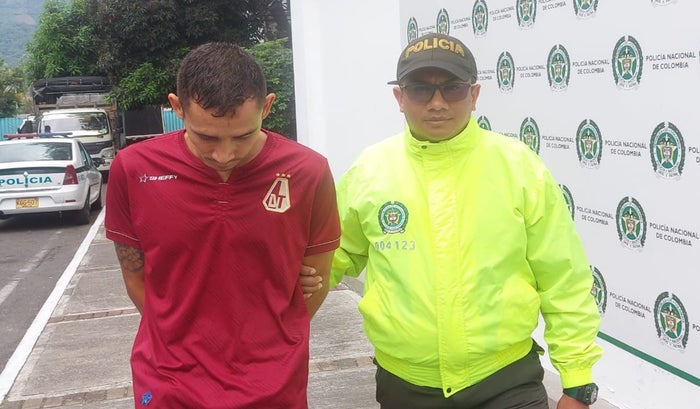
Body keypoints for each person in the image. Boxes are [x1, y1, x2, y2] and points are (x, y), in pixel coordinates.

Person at [326, 32, 603, 408]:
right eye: (420, 89)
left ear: (474, 95)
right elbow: (329, 257)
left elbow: (563, 278)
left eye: (452, 88)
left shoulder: (519, 167)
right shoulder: (368, 171)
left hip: (506, 382)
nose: (437, 103)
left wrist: (578, 379)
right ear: (400, 98)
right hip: (405, 386)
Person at [105, 42, 340, 408]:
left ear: (267, 107)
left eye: (243, 136)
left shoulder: (308, 171)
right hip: (169, 383)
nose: (225, 154)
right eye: (207, 137)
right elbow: (136, 276)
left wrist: (271, 342)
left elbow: (316, 281)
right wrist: (179, 337)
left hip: (274, 384)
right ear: (177, 108)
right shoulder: (134, 169)